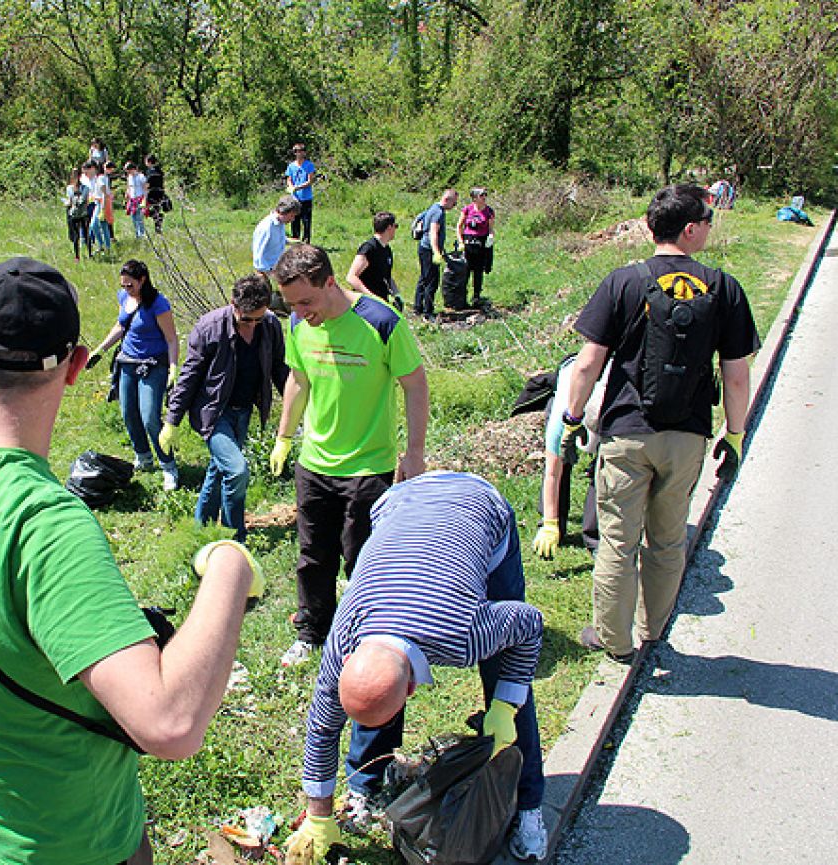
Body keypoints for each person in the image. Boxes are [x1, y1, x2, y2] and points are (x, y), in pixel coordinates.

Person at [0, 256, 263, 865]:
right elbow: (169, 723)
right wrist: (229, 566)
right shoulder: (48, 526)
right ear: (75, 367)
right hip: (73, 839)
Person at [285, 472, 548, 863]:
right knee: (376, 695)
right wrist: (318, 816)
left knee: (504, 673)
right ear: (346, 663)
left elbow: (529, 625)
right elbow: (323, 727)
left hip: (479, 507)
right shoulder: (344, 635)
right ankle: (366, 785)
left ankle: (528, 806)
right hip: (401, 503)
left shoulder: (465, 636)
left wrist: (506, 705)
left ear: (412, 689)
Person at [560, 184, 759, 663]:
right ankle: (652, 631)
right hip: (686, 437)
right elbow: (736, 376)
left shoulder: (623, 281)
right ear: (690, 230)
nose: (710, 227)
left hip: (627, 432)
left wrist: (571, 419)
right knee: (668, 541)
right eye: (708, 220)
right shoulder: (724, 287)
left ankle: (614, 640)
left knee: (617, 542)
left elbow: (588, 364)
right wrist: (735, 433)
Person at [269, 244, 429, 667]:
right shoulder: (297, 324)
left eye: (307, 300)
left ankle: (368, 636)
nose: (301, 311)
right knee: (312, 554)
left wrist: (414, 453)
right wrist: (285, 437)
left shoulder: (380, 322)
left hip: (368, 465)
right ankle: (312, 632)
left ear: (329, 282)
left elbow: (415, 384)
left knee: (363, 557)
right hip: (315, 462)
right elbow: (298, 381)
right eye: (292, 303)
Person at [162, 275, 290, 541]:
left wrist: (297, 408)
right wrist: (172, 420)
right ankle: (235, 539)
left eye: (259, 318)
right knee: (237, 470)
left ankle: (201, 531)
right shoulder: (209, 327)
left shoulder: (270, 326)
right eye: (247, 320)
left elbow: (280, 370)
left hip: (243, 411)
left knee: (219, 470)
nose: (253, 325)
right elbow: (190, 375)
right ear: (233, 304)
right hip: (213, 412)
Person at [88, 259, 181, 488]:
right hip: (127, 362)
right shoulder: (124, 298)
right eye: (123, 285)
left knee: (150, 416)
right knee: (128, 412)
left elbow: (171, 338)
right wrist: (100, 350)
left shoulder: (158, 304)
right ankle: (143, 457)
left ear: (142, 280)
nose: (126, 289)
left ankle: (168, 465)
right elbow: (121, 326)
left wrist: (173, 367)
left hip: (152, 364)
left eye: (130, 285)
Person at [532, 356, 611, 558]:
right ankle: (555, 523)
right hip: (573, 379)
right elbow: (552, 472)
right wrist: (550, 524)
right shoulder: (562, 415)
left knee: (605, 470)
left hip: (610, 388)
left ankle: (596, 537)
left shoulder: (621, 418)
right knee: (560, 461)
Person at [414, 188, 457, 318]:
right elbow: (433, 233)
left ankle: (418, 308)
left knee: (424, 278)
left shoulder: (434, 207)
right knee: (431, 282)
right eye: (454, 203)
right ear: (447, 200)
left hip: (424, 248)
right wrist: (436, 252)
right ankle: (428, 312)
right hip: (428, 250)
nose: (454, 206)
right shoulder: (438, 212)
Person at [345, 211, 400, 307]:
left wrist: (397, 295)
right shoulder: (369, 248)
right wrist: (371, 297)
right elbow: (351, 277)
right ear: (389, 227)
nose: (396, 229)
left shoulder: (386, 249)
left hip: (382, 302)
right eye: (395, 226)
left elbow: (387, 277)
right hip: (366, 303)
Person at [455, 187, 495, 307]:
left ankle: (476, 296)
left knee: (479, 271)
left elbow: (491, 229)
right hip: (468, 241)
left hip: (481, 242)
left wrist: (491, 238)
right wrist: (460, 241)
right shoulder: (467, 210)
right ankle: (462, 297)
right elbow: (459, 226)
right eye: (481, 195)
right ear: (475, 198)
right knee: (465, 270)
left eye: (485, 195)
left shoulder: (489, 211)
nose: (484, 198)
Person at [252, 195, 301, 276]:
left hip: (278, 268)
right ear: (284, 212)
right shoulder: (266, 227)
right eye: (292, 216)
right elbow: (258, 256)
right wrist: (268, 274)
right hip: (267, 272)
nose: (293, 219)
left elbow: (278, 240)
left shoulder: (280, 224)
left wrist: (295, 242)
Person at [285, 143, 317, 245]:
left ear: (304, 152)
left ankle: (306, 243)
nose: (298, 153)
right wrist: (291, 187)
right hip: (295, 199)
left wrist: (297, 187)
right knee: (294, 221)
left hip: (306, 198)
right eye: (296, 151)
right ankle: (296, 242)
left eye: (300, 151)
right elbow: (289, 179)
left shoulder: (309, 165)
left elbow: (310, 180)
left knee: (306, 221)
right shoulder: (291, 166)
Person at [63, 169, 92, 261]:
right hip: (75, 214)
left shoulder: (85, 188)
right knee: (76, 236)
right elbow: (71, 201)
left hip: (82, 214)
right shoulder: (70, 188)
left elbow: (83, 200)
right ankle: (78, 256)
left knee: (85, 234)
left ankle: (89, 253)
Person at [86, 162, 112, 256]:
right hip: (98, 202)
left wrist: (103, 209)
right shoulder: (99, 178)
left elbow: (104, 193)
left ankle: (102, 245)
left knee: (94, 225)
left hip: (101, 204)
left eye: (88, 169)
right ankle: (106, 247)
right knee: (103, 226)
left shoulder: (100, 178)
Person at [144, 154, 168, 233]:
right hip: (160, 192)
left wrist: (144, 191)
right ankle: (158, 228)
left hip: (152, 193)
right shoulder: (159, 170)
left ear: (149, 162)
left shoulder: (150, 171)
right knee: (156, 209)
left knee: (147, 211)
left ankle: (159, 221)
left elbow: (148, 183)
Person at [125, 162, 147, 238]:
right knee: (133, 217)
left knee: (139, 217)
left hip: (139, 198)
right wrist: (127, 195)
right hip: (132, 199)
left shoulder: (141, 176)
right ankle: (137, 234)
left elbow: (145, 188)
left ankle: (142, 234)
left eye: (129, 170)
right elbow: (128, 187)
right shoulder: (129, 177)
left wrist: (144, 199)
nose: (128, 172)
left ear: (133, 169)